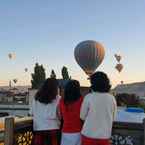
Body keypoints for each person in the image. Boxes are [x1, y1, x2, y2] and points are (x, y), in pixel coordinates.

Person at [80, 72, 117, 145]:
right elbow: (113, 118)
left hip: (88, 135)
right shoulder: (112, 98)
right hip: (104, 136)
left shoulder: (88, 97)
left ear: (93, 83)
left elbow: (82, 116)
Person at [30, 78, 61, 145]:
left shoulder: (36, 98)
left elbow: (31, 113)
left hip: (38, 129)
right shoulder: (58, 98)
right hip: (53, 130)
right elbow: (60, 115)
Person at [58, 80, 83, 145]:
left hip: (65, 132)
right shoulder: (81, 100)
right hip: (78, 131)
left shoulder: (62, 101)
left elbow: (60, 116)